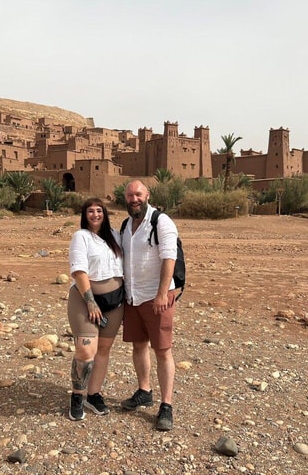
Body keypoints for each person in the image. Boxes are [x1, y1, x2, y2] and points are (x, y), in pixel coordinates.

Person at [120, 180, 179, 431]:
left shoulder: (160, 221)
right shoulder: (125, 225)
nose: (134, 199)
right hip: (133, 297)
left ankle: (166, 405)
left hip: (157, 297)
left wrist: (162, 293)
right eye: (130, 195)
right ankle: (144, 391)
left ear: (147, 195)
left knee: (162, 350)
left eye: (138, 194)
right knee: (138, 345)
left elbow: (169, 257)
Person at [67, 198, 124, 421]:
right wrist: (90, 302)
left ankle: (93, 394)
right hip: (86, 300)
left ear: (105, 213)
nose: (95, 214)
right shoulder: (81, 237)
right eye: (90, 211)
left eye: (99, 210)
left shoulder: (116, 237)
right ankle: (77, 395)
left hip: (115, 301)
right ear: (85, 215)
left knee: (104, 349)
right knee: (85, 350)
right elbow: (79, 270)